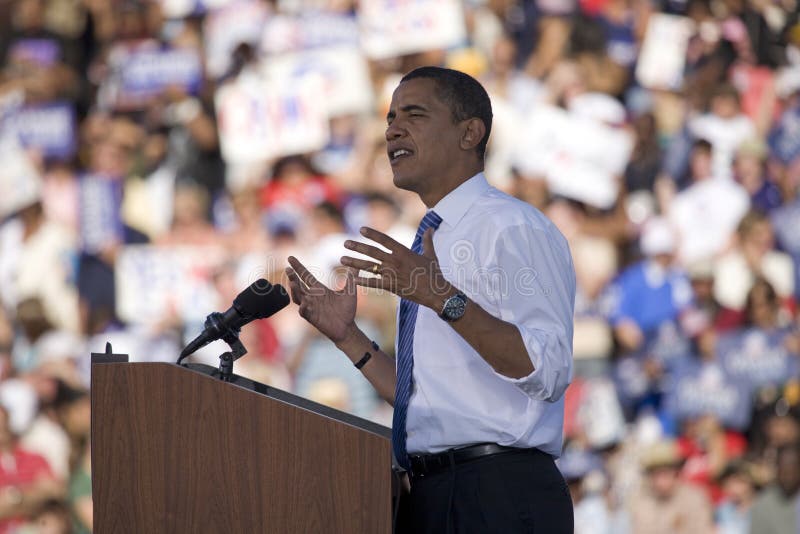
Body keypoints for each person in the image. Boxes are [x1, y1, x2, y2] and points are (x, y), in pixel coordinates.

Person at [285, 66, 575, 532]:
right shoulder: (429, 241)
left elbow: (550, 369)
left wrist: (441, 296)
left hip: (497, 494)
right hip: (432, 493)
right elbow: (422, 405)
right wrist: (347, 337)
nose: (392, 129)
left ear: (469, 132)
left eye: (414, 114)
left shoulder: (512, 228)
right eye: (390, 117)